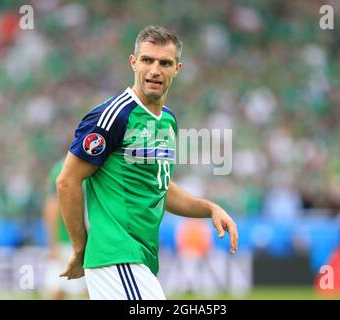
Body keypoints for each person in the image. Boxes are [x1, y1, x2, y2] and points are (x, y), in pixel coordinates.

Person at [56, 25, 238, 300]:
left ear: (177, 68)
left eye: (164, 63)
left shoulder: (168, 120)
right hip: (117, 255)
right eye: (147, 60)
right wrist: (81, 249)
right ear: (133, 62)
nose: (155, 70)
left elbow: (159, 186)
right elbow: (67, 180)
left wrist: (209, 207)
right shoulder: (112, 116)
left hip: (139, 258)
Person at [42, 158, 87, 299]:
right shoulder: (62, 168)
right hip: (69, 241)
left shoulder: (62, 167)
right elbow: (52, 208)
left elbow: (50, 208)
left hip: (79, 241)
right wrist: (53, 244)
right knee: (58, 289)